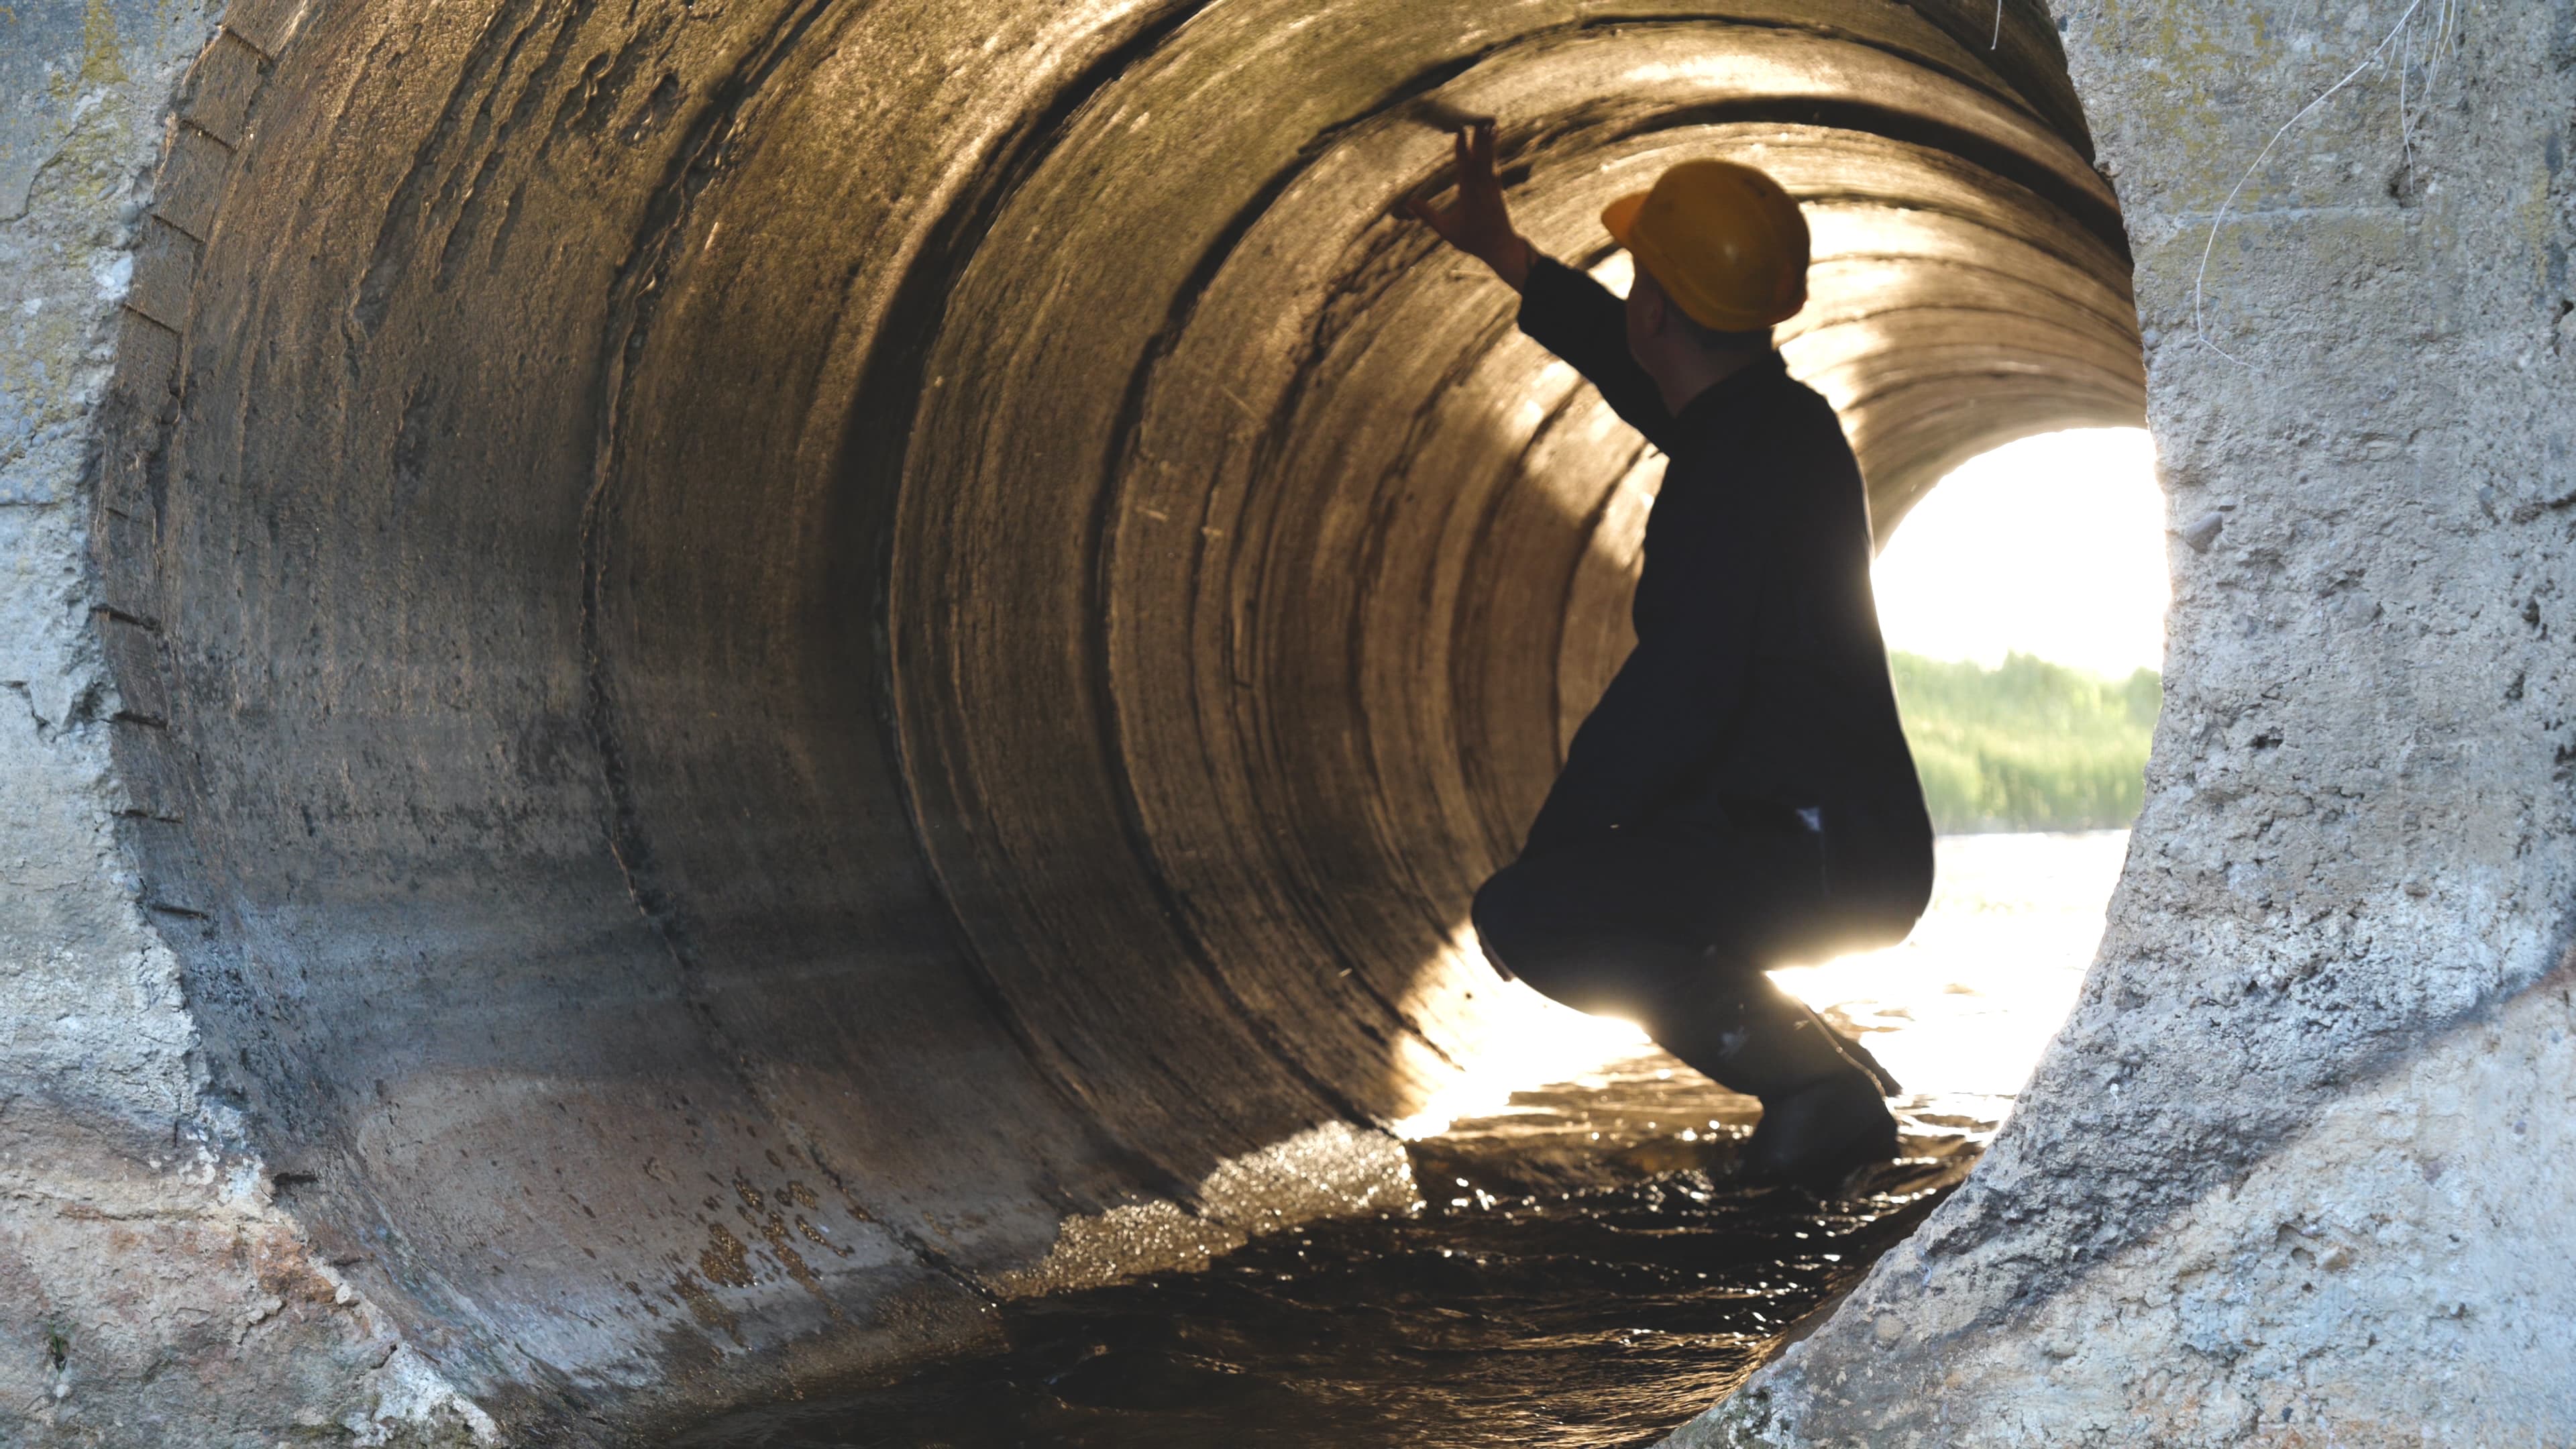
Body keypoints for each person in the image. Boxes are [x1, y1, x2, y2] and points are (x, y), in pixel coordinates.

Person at [1407, 121, 1935, 1190]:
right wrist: (1509, 255)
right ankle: (1831, 1075)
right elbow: (1652, 373)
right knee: (1587, 883)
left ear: (1654, 306)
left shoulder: (1737, 466)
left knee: (1534, 913)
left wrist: (1558, 859)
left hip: (1813, 855)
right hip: (1835, 844)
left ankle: (1814, 1092)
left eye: (1639, 281)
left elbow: (1684, 684)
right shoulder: (1769, 424)